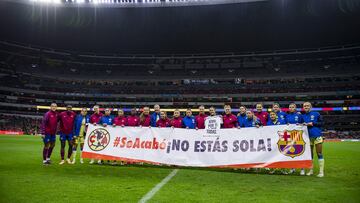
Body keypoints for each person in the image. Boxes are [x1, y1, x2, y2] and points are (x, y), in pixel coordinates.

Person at [302, 102, 325, 177]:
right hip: (308, 137)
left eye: (307, 105)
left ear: (310, 107)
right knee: (310, 155)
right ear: (303, 107)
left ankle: (321, 172)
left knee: (319, 153)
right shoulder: (302, 116)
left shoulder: (316, 114)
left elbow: (322, 123)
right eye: (304, 106)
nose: (306, 107)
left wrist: (312, 123)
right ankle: (311, 170)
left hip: (317, 136)